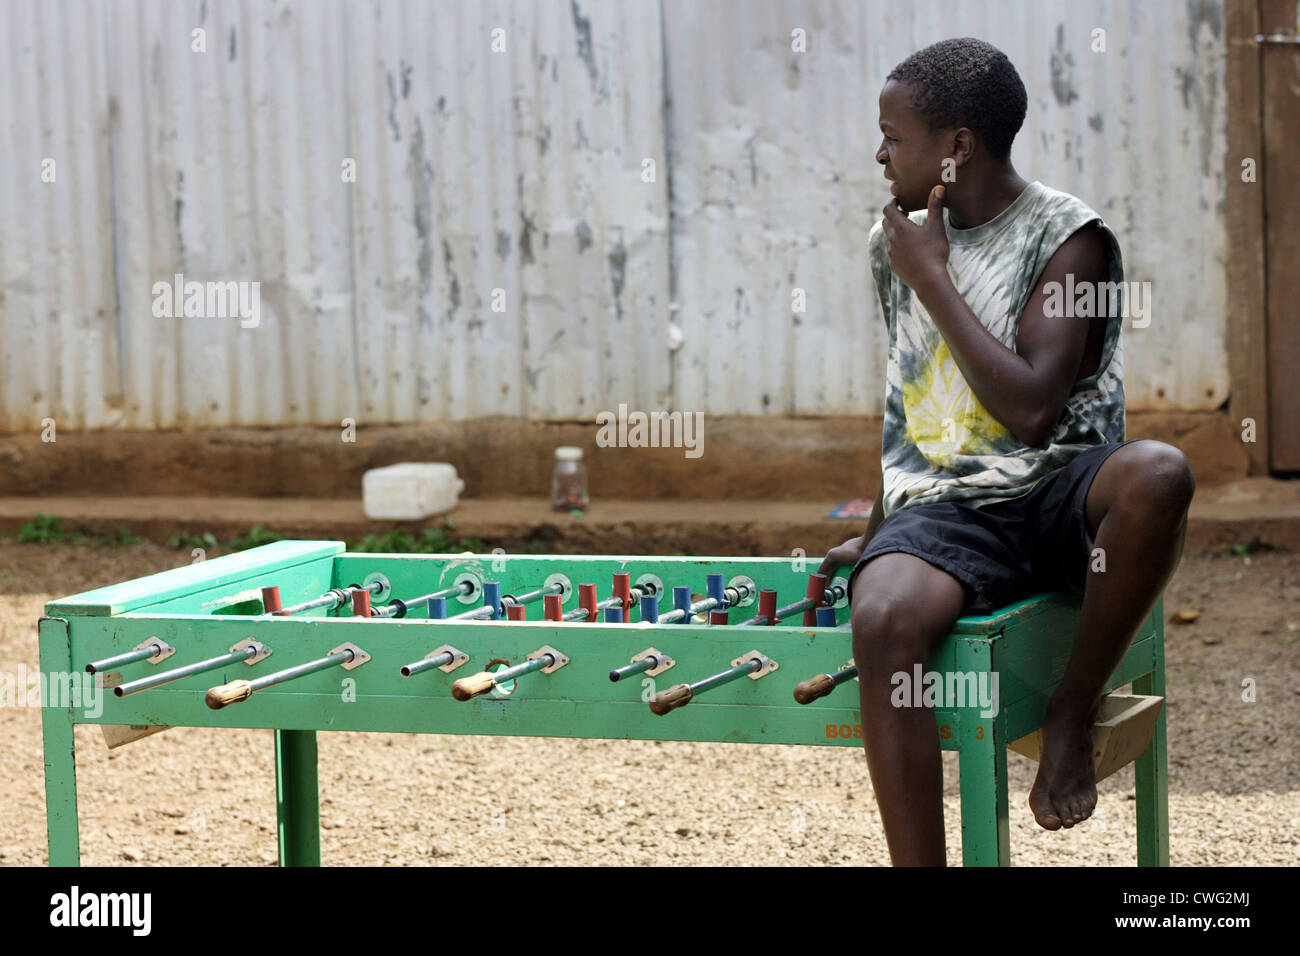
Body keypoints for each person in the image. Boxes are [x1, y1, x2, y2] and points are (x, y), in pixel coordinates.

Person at [818, 38, 1194, 866]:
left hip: (1060, 494)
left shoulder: (1069, 238)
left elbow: (1031, 409)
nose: (880, 154)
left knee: (1159, 472)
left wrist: (934, 280)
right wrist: (884, 529)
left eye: (895, 135)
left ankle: (1069, 711)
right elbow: (914, 395)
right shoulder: (899, 243)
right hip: (951, 509)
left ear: (957, 146)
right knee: (879, 612)